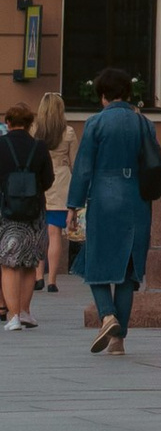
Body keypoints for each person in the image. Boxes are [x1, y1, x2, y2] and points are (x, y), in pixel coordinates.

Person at [65, 68, 160, 353]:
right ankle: (118, 341)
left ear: (102, 96)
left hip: (105, 198)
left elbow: (82, 169)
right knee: (128, 272)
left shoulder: (96, 123)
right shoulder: (145, 124)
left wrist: (73, 206)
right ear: (128, 94)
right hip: (138, 200)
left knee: (95, 263)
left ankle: (107, 316)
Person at [0, 109, 50, 332]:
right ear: (30, 124)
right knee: (30, 261)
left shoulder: (1, 145)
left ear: (8, 122)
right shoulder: (39, 147)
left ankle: (13, 316)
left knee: (9, 264)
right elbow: (48, 179)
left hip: (6, 211)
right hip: (34, 211)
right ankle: (26, 311)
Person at [31, 95, 69, 301]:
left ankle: (38, 275)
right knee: (55, 233)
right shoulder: (68, 132)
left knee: (39, 231)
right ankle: (53, 280)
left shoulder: (34, 131)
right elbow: (75, 160)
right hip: (61, 184)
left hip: (39, 184)